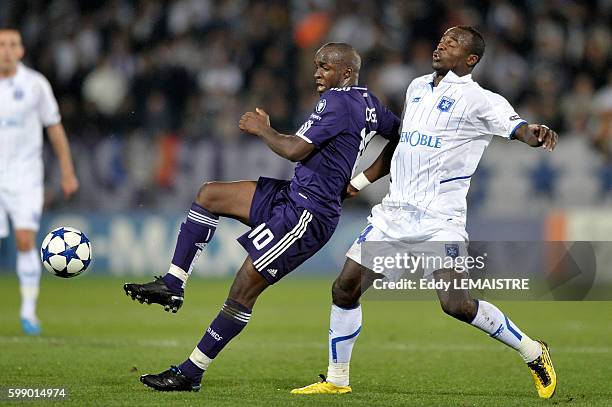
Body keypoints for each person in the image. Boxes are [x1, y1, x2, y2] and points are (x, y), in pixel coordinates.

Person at [291, 26, 558, 399]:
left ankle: (532, 350)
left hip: (439, 221)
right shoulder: (416, 87)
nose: (441, 44)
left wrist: (536, 132)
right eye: (441, 39)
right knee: (345, 288)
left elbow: (518, 128)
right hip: (393, 215)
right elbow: (400, 144)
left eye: (452, 43)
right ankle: (337, 379)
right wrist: (361, 182)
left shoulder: (481, 101)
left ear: (470, 60)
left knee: (457, 305)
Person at [123, 42, 401, 392]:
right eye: (316, 65)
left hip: (307, 215)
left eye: (326, 66)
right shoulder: (370, 103)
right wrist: (360, 180)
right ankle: (173, 284)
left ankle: (190, 373)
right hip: (291, 195)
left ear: (346, 72)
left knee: (242, 290)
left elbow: (294, 150)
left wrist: (263, 129)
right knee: (210, 195)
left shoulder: (338, 100)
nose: (317, 72)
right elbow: (400, 136)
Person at [0, 29, 79, 335]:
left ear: (20, 51)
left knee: (24, 240)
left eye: (12, 45)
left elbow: (55, 129)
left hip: (25, 177)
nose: (6, 50)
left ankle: (28, 311)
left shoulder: (35, 85)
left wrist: (67, 171)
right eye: (2, 45)